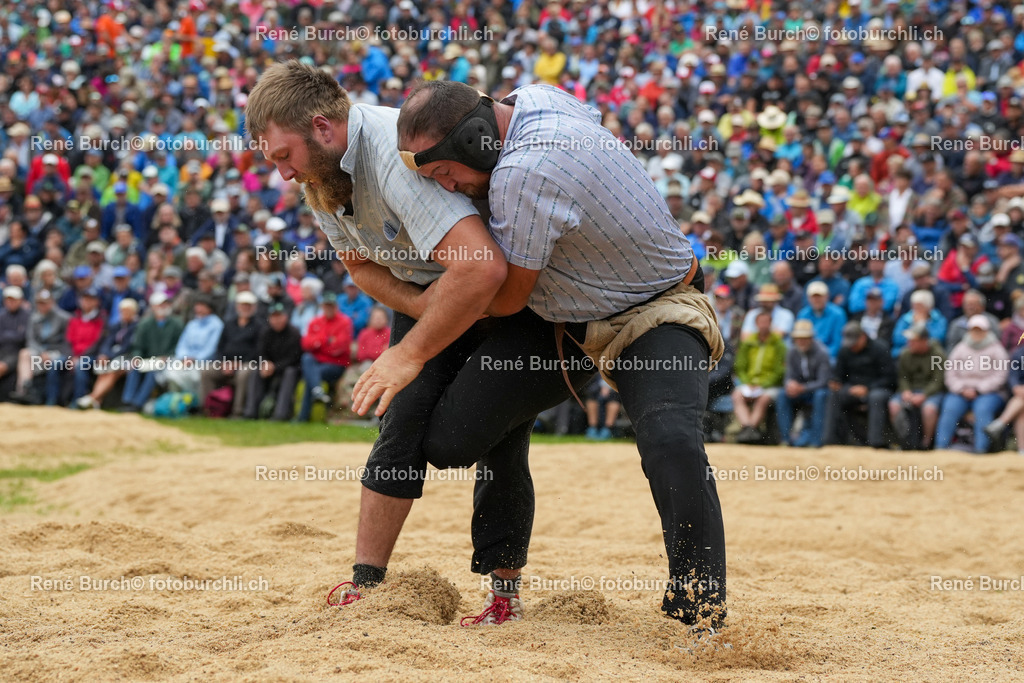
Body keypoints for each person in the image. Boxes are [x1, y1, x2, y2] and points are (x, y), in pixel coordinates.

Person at [247, 61, 592, 622]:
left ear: (322, 128)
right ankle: (367, 582)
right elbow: (359, 265)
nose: (283, 173)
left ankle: (504, 595)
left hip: (511, 296)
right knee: (399, 415)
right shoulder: (322, 175)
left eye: (284, 156)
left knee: (494, 440)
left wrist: (414, 344)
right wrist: (424, 311)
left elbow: (480, 268)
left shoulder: (391, 155)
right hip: (436, 290)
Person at [397, 80, 725, 628]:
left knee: (672, 441)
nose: (449, 188)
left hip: (654, 312)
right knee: (450, 443)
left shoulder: (523, 173)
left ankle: (699, 613)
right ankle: (504, 584)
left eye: (445, 174)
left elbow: (505, 297)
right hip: (563, 323)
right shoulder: (536, 99)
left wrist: (416, 310)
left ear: (479, 142)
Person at [935, 315, 1008, 454]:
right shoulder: (961, 348)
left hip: (988, 392)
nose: (976, 333)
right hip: (961, 391)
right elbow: (950, 372)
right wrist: (961, 389)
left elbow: (1000, 375)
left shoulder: (996, 349)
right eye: (974, 330)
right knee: (950, 408)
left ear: (987, 331)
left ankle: (981, 449)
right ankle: (941, 447)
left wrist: (979, 389)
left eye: (980, 330)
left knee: (983, 410)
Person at [826, 321, 895, 449]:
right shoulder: (845, 350)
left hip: (877, 388)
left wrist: (867, 388)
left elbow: (889, 378)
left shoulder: (880, 348)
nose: (852, 347)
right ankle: (831, 441)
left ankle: (876, 443)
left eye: (854, 343)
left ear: (863, 337)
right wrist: (836, 382)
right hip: (852, 389)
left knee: (876, 397)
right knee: (834, 396)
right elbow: (839, 374)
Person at [198, 292, 264, 416]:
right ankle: (207, 408)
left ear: (254, 307)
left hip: (247, 363)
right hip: (226, 363)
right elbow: (220, 347)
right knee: (206, 371)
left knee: (243, 374)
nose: (245, 308)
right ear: (237, 306)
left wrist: (237, 363)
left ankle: (237, 411)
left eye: (248, 305)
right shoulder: (229, 324)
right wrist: (224, 363)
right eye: (243, 305)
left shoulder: (258, 326)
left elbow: (257, 350)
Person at [730, 310, 786, 443]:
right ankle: (749, 429)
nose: (763, 325)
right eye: (760, 322)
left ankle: (749, 429)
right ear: (756, 324)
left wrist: (763, 384)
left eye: (766, 322)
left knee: (764, 398)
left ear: (771, 324)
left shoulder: (779, 345)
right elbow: (740, 367)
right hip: (748, 383)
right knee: (737, 396)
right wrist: (747, 382)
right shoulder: (748, 343)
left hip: (769, 385)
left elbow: (779, 371)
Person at [121, 292, 183, 411]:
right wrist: (137, 357)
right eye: (160, 305)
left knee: (153, 372)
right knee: (134, 367)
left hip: (167, 361)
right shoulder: (145, 324)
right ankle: (128, 401)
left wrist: (167, 357)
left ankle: (137, 404)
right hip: (147, 360)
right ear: (153, 307)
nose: (163, 307)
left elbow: (179, 346)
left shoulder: (177, 324)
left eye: (166, 304)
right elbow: (138, 346)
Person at [74, 298, 140, 410]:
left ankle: (93, 397)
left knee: (111, 371)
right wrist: (104, 355)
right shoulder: (116, 326)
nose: (124, 314)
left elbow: (127, 347)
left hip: (127, 357)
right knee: (103, 371)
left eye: (127, 311)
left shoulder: (137, 327)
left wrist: (109, 356)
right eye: (122, 311)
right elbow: (107, 342)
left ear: (134, 312)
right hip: (113, 357)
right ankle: (96, 401)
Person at [888, 324, 946, 450]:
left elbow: (938, 381)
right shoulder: (905, 354)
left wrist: (924, 395)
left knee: (929, 409)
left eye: (914, 341)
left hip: (931, 392)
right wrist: (906, 391)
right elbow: (903, 377)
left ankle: (926, 443)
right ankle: (903, 441)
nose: (910, 343)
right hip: (911, 390)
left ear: (924, 341)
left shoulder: (938, 355)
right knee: (894, 405)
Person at [298, 292, 353, 421]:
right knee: (307, 358)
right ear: (322, 307)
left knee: (311, 375)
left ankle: (303, 417)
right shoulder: (315, 321)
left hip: (336, 364)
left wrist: (318, 344)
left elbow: (339, 348)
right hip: (317, 362)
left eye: (331, 306)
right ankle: (317, 392)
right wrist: (326, 340)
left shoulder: (344, 322)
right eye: (326, 306)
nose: (328, 309)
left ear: (336, 307)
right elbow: (305, 344)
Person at [776, 320, 831, 448]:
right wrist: (791, 385)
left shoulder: (822, 353)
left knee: (820, 395)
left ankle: (816, 441)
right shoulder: (792, 352)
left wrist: (802, 388)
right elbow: (788, 376)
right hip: (800, 390)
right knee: (782, 394)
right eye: (799, 338)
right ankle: (786, 439)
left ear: (811, 338)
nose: (801, 341)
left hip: (816, 391)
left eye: (805, 338)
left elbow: (823, 381)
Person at [246, 303, 302, 421]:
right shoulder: (266, 332)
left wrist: (275, 367)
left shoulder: (294, 333)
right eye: (273, 317)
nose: (276, 320)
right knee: (256, 372)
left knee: (290, 372)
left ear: (285, 317)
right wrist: (265, 363)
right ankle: (251, 411)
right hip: (269, 368)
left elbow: (294, 358)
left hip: (288, 369)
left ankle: (281, 413)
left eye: (279, 317)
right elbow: (260, 352)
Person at [13, 289, 69, 405]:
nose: (42, 305)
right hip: (39, 352)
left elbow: (67, 341)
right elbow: (31, 340)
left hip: (57, 352)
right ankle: (24, 389)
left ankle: (51, 400)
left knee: (54, 361)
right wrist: (41, 352)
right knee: (24, 353)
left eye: (45, 302)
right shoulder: (33, 318)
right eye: (39, 302)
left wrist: (50, 353)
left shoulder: (64, 318)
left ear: (52, 302)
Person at [796, 281, 847, 359]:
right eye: (813, 297)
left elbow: (837, 343)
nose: (816, 300)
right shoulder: (803, 314)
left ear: (827, 296)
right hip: (807, 355)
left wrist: (821, 357)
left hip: (830, 356)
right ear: (808, 298)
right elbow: (799, 340)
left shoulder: (838, 314)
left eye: (819, 296)